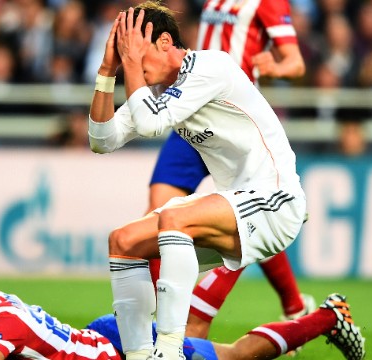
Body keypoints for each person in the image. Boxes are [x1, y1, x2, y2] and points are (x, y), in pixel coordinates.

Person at [88, 2, 315, 359]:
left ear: (165, 42)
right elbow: (102, 140)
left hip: (277, 199)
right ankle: (139, 355)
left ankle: (168, 351)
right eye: (124, 52)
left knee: (172, 218)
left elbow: (149, 124)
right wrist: (106, 70)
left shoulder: (212, 66)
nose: (129, 59)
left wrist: (130, 65)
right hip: (238, 204)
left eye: (135, 50)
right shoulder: (162, 92)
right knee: (123, 241)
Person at [0, 265, 365, 359]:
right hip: (102, 337)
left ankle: (329, 315)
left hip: (123, 351)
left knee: (236, 356)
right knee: (199, 331)